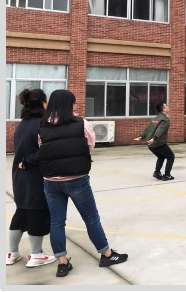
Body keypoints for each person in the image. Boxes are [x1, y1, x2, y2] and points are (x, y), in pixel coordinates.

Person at [38, 89, 128, 277]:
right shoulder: (81, 123)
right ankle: (107, 254)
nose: (75, 105)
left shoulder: (43, 125)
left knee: (56, 222)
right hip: (76, 179)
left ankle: (62, 263)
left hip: (51, 181)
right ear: (69, 104)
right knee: (91, 218)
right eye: (74, 102)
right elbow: (90, 145)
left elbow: (42, 148)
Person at [7, 89, 56, 268]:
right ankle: (36, 254)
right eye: (47, 100)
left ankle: (12, 253)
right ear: (42, 103)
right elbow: (46, 150)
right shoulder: (42, 124)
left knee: (21, 213)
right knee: (37, 213)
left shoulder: (23, 123)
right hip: (35, 175)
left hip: (19, 175)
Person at [134, 103, 174, 181]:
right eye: (166, 106)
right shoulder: (165, 120)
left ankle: (157, 172)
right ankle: (167, 175)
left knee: (161, 156)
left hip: (151, 144)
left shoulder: (156, 118)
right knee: (171, 156)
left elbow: (148, 128)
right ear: (164, 109)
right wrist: (154, 139)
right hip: (158, 143)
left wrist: (141, 136)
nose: (168, 107)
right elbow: (160, 130)